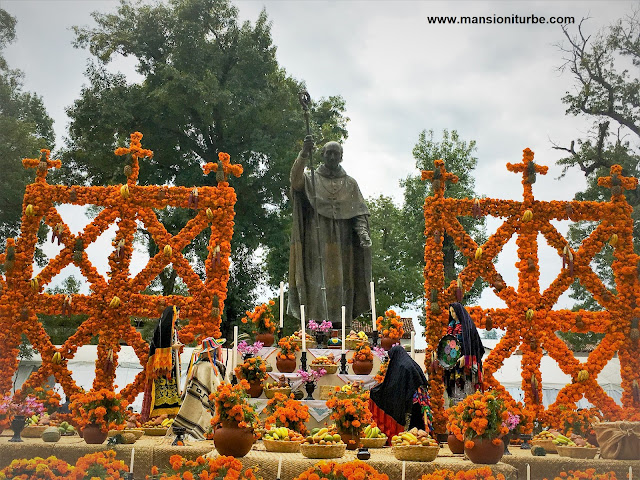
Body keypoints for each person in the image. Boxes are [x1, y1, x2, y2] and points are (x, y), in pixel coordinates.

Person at [288, 136, 372, 330]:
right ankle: (314, 326)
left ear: (341, 157)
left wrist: (363, 234)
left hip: (343, 243)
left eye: (336, 154)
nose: (332, 157)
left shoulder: (350, 184)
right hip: (315, 240)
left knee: (342, 284)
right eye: (329, 153)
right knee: (316, 281)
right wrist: (303, 154)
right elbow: (295, 181)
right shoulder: (312, 179)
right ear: (322, 155)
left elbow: (358, 213)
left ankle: (341, 325)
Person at [369, 345, 433, 441]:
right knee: (419, 434)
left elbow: (393, 386)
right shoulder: (411, 363)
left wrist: (377, 390)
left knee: (410, 434)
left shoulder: (400, 365)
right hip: (419, 402)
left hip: (410, 404)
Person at [141, 306, 183, 421]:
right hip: (162, 366)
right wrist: (173, 347)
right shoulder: (163, 329)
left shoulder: (172, 328)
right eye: (177, 314)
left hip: (172, 364)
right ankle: (160, 414)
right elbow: (160, 345)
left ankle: (170, 414)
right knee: (161, 387)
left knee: (172, 387)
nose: (178, 316)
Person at [442, 302, 484, 405]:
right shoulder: (450, 327)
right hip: (452, 367)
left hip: (466, 368)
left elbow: (476, 347)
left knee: (468, 396)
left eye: (454, 311)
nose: (452, 314)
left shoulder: (468, 327)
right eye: (450, 312)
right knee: (454, 397)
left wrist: (466, 358)